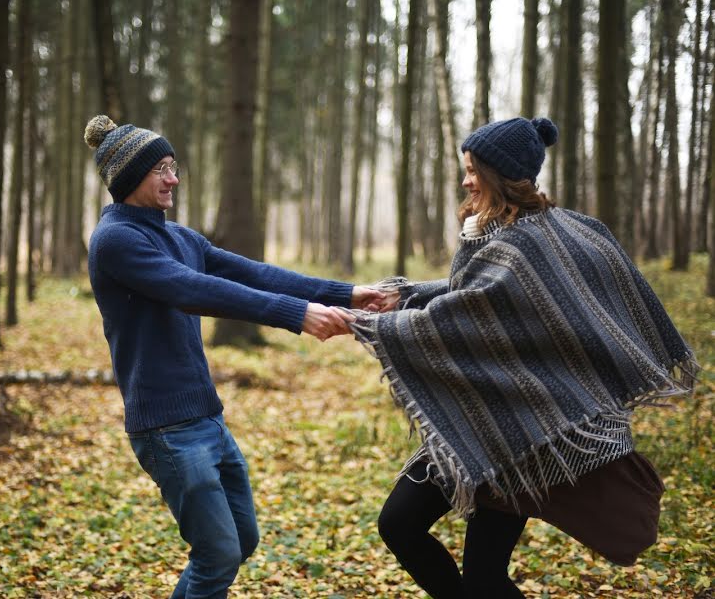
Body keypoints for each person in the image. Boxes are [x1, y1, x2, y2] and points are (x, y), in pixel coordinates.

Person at [331, 117, 698, 598]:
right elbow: (479, 297)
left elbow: (474, 310)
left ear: (501, 173)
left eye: (473, 170)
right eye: (464, 169)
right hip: (475, 415)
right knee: (399, 524)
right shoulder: (495, 232)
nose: (465, 180)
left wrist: (373, 324)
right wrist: (408, 296)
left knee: (484, 575)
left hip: (530, 429)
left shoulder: (540, 237)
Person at [83, 115, 386, 599]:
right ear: (128, 178)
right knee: (218, 555)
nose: (173, 178)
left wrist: (347, 294)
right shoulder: (116, 241)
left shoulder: (180, 238)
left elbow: (255, 274)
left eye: (173, 166)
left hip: (206, 418)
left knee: (240, 542)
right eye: (160, 168)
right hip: (166, 428)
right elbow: (190, 289)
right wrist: (296, 315)